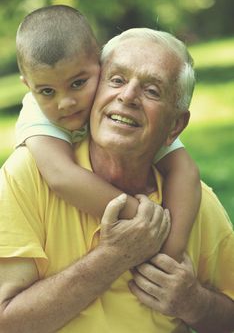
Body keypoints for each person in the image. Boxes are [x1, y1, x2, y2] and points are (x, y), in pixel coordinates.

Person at [0, 27, 233, 333]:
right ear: (95, 88)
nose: (128, 96)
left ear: (175, 125)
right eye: (118, 80)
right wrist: (111, 258)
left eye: (152, 90)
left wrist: (194, 302)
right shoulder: (27, 176)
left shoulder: (195, 202)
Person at [15, 5, 201, 262]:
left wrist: (170, 252)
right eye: (47, 91)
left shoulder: (121, 105)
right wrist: (141, 218)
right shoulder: (37, 114)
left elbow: (185, 171)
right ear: (29, 85)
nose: (65, 103)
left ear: (100, 62)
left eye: (78, 83)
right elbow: (61, 176)